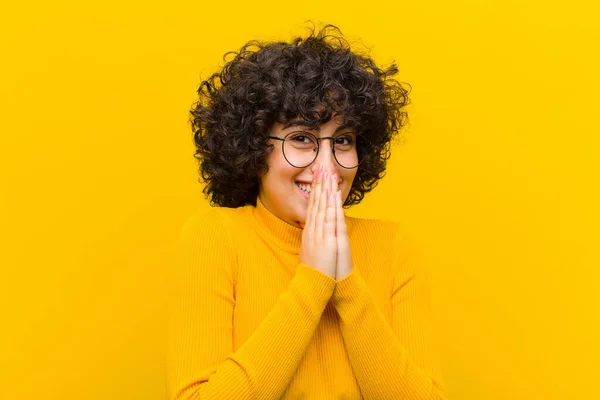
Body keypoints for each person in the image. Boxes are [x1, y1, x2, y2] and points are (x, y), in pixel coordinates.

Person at [166, 23, 447, 399]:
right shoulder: (215, 237)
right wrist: (313, 279)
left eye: (343, 140)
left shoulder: (393, 247)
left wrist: (346, 282)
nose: (327, 166)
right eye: (302, 138)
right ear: (254, 146)